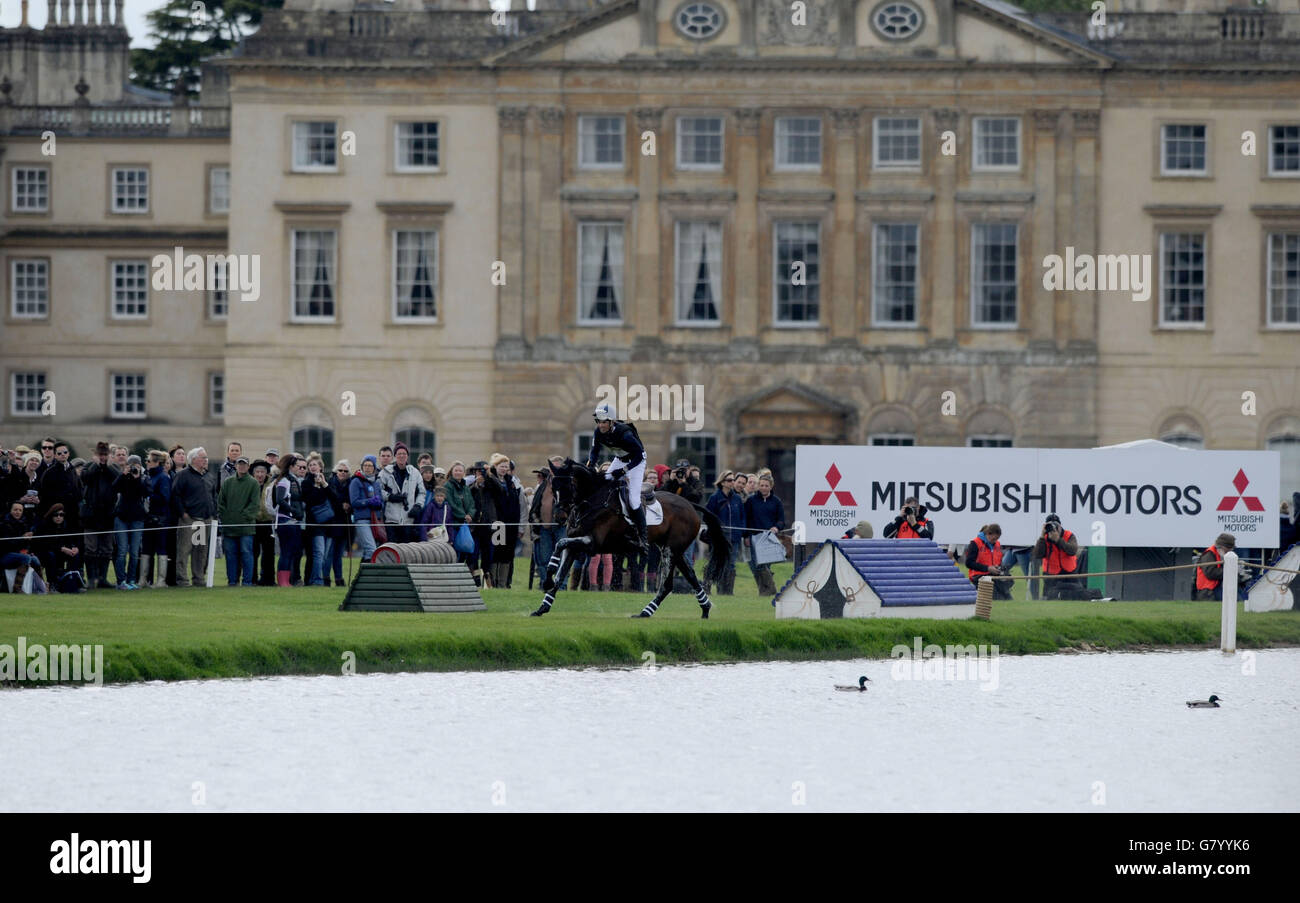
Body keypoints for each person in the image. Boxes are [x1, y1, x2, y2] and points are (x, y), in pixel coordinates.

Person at [585, 404, 649, 554]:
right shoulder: (598, 432)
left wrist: (624, 471)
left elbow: (639, 456)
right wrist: (590, 466)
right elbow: (594, 452)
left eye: (604, 422)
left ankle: (643, 538)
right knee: (603, 484)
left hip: (636, 462)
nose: (600, 425)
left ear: (612, 421)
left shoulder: (625, 434)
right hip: (619, 459)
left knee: (634, 501)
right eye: (598, 422)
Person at [172, 447, 216, 588]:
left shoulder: (208, 475)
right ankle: (182, 580)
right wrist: (183, 514)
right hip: (189, 518)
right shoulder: (183, 475)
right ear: (194, 459)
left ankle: (198, 579)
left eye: (206, 457)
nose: (205, 460)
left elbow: (213, 496)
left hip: (204, 518)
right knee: (184, 549)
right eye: (203, 457)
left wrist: (213, 513)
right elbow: (175, 495)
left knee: (200, 550)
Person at [217, 455, 260, 587]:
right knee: (230, 555)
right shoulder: (228, 482)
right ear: (236, 466)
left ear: (248, 467)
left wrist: (242, 517)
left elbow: (254, 505)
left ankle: (247, 582)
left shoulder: (253, 483)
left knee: (247, 554)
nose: (242, 466)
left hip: (246, 527)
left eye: (244, 464)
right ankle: (232, 581)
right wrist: (227, 518)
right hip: (229, 527)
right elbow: (221, 503)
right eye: (239, 464)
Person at [480, 453, 521, 589]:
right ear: (495, 467)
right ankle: (494, 583)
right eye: (501, 466)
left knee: (507, 553)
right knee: (495, 553)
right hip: (496, 522)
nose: (504, 469)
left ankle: (503, 584)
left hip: (509, 524)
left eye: (506, 467)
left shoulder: (511, 483)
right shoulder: (490, 481)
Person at [111, 454, 149, 589]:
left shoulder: (144, 478)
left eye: (137, 466)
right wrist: (123, 475)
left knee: (134, 552)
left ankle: (131, 579)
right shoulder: (123, 477)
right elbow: (114, 488)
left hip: (137, 518)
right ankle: (121, 581)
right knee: (121, 551)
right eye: (132, 466)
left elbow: (146, 492)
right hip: (121, 517)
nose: (134, 469)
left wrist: (137, 478)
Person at [743, 474, 785, 597]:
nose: (763, 488)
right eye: (761, 485)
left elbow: (781, 520)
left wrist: (776, 527)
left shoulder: (776, 501)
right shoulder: (751, 501)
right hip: (754, 537)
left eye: (766, 486)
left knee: (765, 565)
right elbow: (746, 519)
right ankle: (770, 589)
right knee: (757, 565)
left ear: (771, 486)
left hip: (770, 539)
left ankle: (765, 591)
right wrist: (746, 536)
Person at [705, 470, 745, 595]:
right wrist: (717, 529)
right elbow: (707, 517)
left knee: (731, 564)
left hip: (734, 538)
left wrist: (740, 532)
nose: (732, 482)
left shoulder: (737, 499)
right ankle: (706, 588)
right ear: (722, 482)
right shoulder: (714, 498)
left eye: (733, 480)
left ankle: (726, 592)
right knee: (715, 562)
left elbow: (742, 517)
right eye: (729, 480)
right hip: (719, 538)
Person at [379, 443, 425, 545]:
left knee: (406, 549)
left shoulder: (415, 473)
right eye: (399, 453)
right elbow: (378, 490)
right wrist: (391, 497)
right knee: (392, 548)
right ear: (395, 456)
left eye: (404, 453)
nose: (402, 456)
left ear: (407, 456)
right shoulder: (385, 472)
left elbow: (422, 492)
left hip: (408, 518)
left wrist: (418, 505)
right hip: (391, 518)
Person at [273, 454, 307, 586]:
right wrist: (293, 510)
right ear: (290, 466)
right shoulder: (284, 481)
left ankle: (285, 580)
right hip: (285, 521)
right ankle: (283, 581)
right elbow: (280, 499)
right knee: (286, 552)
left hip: (292, 521)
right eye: (295, 465)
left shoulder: (291, 480)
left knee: (290, 551)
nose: (297, 467)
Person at [32, 504, 83, 592]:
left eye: (61, 515)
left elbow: (70, 540)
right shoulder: (43, 525)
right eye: (56, 515)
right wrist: (62, 549)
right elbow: (44, 544)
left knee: (74, 555)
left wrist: (74, 548)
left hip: (59, 552)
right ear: (51, 515)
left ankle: (71, 582)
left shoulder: (65, 525)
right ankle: (52, 584)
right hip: (43, 553)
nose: (59, 517)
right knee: (51, 555)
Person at [302, 457, 336, 587]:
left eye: (314, 464)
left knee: (324, 555)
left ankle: (313, 578)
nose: (312, 467)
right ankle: (317, 580)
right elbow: (310, 501)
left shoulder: (327, 482)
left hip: (329, 524)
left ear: (320, 467)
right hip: (315, 524)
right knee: (319, 553)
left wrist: (324, 484)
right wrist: (316, 486)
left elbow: (335, 499)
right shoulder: (306, 483)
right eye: (310, 465)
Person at [1032, 514, 1082, 600]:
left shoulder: (1069, 535)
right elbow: (1038, 554)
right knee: (1049, 598)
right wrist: (1041, 537)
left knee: (1076, 596)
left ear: (1060, 526)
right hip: (1051, 575)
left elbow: (1072, 550)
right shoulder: (1044, 538)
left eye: (1056, 525)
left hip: (1069, 573)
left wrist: (1058, 540)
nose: (1053, 528)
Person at [141, 450, 171, 588]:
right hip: (148, 517)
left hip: (160, 518)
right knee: (146, 549)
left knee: (161, 548)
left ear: (157, 462)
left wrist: (150, 495)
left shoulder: (163, 477)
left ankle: (161, 580)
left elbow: (165, 498)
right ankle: (143, 579)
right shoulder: (148, 476)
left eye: (149, 461)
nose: (146, 463)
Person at [349, 455, 385, 562]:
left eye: (370, 465)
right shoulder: (356, 481)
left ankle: (363, 577)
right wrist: (369, 501)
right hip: (362, 519)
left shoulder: (376, 483)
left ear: (374, 468)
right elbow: (354, 502)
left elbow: (381, 502)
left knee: (368, 552)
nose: (367, 468)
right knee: (372, 549)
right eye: (365, 465)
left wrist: (379, 504)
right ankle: (373, 577)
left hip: (375, 520)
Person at [965, 523, 1013, 600]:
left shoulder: (997, 544)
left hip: (994, 575)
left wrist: (999, 568)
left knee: (1008, 598)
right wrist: (987, 568)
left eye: (997, 539)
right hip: (979, 576)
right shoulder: (975, 543)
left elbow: (998, 560)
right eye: (993, 539)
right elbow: (969, 563)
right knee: (997, 598)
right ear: (988, 534)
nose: (995, 541)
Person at [250, 459, 276, 585]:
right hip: (253, 522)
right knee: (253, 552)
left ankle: (269, 579)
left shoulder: (271, 485)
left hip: (268, 522)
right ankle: (252, 579)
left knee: (269, 553)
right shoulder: (249, 484)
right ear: (254, 473)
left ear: (266, 473)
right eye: (257, 472)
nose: (260, 474)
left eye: (262, 472)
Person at [326, 460, 351, 583]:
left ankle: (339, 578)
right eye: (340, 470)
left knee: (339, 554)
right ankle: (325, 578)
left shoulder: (350, 485)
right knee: (329, 553)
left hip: (344, 523)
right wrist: (342, 504)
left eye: (345, 471)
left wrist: (348, 505)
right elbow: (332, 499)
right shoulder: (330, 483)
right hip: (331, 522)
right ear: (336, 472)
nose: (342, 473)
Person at [1195, 532, 1237, 602]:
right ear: (1223, 547)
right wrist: (1231, 570)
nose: (1231, 550)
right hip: (1208, 592)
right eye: (1229, 548)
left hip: (1217, 589)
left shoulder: (1222, 555)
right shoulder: (1209, 554)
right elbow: (1210, 574)